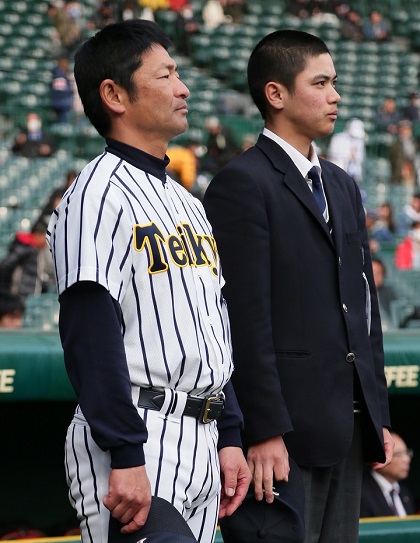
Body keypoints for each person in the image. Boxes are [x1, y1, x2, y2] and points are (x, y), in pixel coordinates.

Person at [46, 19, 251, 543]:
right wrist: (125, 450)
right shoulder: (94, 195)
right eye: (166, 75)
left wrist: (228, 433)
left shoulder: (188, 201)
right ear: (114, 94)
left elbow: (213, 324)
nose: (183, 88)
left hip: (203, 434)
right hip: (140, 434)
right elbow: (90, 331)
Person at [203, 29, 393, 543]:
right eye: (322, 83)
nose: (336, 96)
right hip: (283, 439)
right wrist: (263, 429)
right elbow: (243, 318)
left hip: (348, 428)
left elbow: (363, 308)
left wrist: (379, 415)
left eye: (335, 83)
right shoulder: (241, 183)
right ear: (276, 94)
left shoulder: (341, 183)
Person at [360, 432, 417, 517]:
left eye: (407, 453)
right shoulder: (361, 493)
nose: (407, 459)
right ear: (380, 457)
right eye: (399, 454)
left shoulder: (405, 493)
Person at [0, 220, 52, 300]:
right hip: (20, 297)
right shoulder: (23, 248)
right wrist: (8, 292)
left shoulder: (37, 250)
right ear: (37, 235)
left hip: (31, 296)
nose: (46, 242)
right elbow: (5, 266)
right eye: (45, 237)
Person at [327, 118, 366, 183]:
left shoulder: (360, 141)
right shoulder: (337, 138)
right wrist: (348, 155)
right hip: (338, 172)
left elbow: (360, 157)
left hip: (354, 174)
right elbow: (332, 153)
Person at [389, 119, 418, 186]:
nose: (406, 132)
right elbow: (394, 160)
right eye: (404, 129)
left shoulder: (414, 143)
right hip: (399, 174)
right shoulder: (395, 144)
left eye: (408, 129)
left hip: (412, 172)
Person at [371, 257, 398, 329]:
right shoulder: (358, 294)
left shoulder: (389, 292)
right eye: (372, 273)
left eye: (378, 273)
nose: (375, 276)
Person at [50, 54, 74, 124]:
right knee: (63, 124)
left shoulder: (65, 72)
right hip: (60, 103)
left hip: (65, 103)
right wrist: (70, 91)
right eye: (64, 62)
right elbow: (60, 89)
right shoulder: (57, 73)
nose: (66, 64)